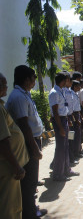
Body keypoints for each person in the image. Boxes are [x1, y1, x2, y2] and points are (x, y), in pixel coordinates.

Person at [6, 66, 47, 218]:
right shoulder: (18, 97)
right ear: (26, 79)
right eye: (33, 78)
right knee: (29, 182)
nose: (34, 81)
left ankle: (30, 208)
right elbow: (24, 125)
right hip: (28, 142)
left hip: (33, 140)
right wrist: (34, 147)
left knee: (32, 180)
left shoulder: (24, 94)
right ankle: (30, 213)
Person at [0, 73, 29, 219]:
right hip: (7, 167)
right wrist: (16, 165)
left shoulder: (1, 105)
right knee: (9, 206)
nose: (6, 87)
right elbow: (3, 141)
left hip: (8, 166)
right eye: (3, 84)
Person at [49, 72, 79, 181]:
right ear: (62, 81)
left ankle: (66, 169)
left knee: (65, 146)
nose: (67, 82)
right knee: (61, 148)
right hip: (59, 121)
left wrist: (68, 119)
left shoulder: (60, 91)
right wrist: (61, 127)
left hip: (64, 119)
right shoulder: (54, 93)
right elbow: (55, 112)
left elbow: (63, 108)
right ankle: (58, 174)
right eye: (66, 80)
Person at [71, 80, 83, 158]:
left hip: (77, 114)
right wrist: (76, 119)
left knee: (78, 135)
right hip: (74, 115)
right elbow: (72, 108)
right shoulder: (71, 94)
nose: (80, 87)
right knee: (75, 135)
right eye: (78, 86)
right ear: (75, 87)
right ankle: (75, 153)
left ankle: (77, 151)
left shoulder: (75, 94)